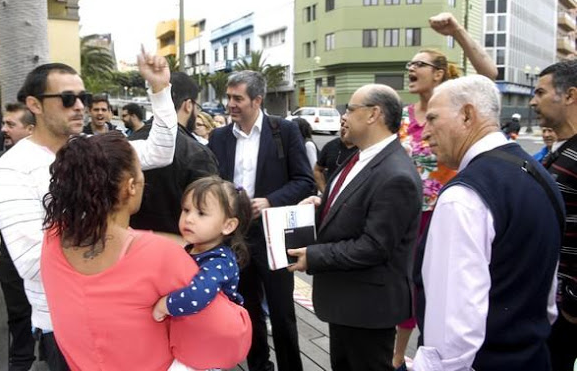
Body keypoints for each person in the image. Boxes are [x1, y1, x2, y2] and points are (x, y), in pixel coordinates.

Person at [0, 51, 179, 370]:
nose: (80, 105)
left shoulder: (92, 148)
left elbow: (160, 151)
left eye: (83, 97)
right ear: (34, 105)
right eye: (67, 98)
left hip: (126, 311)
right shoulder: (12, 169)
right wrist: (141, 247)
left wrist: (160, 90)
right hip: (66, 324)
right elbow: (32, 263)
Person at [40, 132, 251, 371]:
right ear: (131, 186)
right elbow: (229, 336)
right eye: (142, 172)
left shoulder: (54, 237)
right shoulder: (160, 256)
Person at [412, 75, 562, 370]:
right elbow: (547, 300)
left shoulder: (464, 196)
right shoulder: (539, 174)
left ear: (467, 115)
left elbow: (453, 336)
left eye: (432, 118)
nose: (425, 132)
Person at [288, 84, 422, 371]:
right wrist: (322, 205)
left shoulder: (395, 174)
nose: (343, 115)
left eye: (349, 108)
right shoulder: (361, 156)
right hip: (347, 303)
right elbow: (354, 206)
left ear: (374, 114)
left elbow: (374, 246)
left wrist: (314, 256)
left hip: (368, 309)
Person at [394, 12, 498, 370]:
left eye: (419, 64)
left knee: (436, 287)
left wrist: (457, 32)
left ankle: (438, 353)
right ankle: (398, 355)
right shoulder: (403, 114)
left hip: (446, 211)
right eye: (410, 63)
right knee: (406, 284)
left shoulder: (453, 104)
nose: (411, 68)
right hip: (405, 214)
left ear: (439, 74)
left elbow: (490, 79)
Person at [208, 70, 315, 371]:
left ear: (257, 100)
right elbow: (211, 181)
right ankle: (258, 366)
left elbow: (304, 180)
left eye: (237, 98)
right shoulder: (218, 137)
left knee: (282, 312)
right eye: (228, 97)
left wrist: (270, 201)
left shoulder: (284, 131)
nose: (230, 104)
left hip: (273, 233)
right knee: (247, 308)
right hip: (236, 236)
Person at [152, 176, 251, 369]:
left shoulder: (220, 260)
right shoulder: (193, 248)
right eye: (186, 210)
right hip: (191, 336)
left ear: (228, 225)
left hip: (206, 345)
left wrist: (164, 305)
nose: (189, 218)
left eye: (201, 213)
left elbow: (198, 295)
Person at [0, 103, 36, 371]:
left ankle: (52, 353)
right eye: (4, 123)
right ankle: (21, 360)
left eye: (10, 124)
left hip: (47, 252)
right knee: (18, 312)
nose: (3, 129)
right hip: (10, 255)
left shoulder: (51, 160)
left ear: (30, 128)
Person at [129, 72, 219, 236]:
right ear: (188, 105)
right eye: (197, 107)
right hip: (182, 250)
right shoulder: (198, 154)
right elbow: (210, 213)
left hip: (131, 247)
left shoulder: (130, 142)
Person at [530, 60, 577, 370]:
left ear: (570, 95)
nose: (533, 101)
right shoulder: (558, 152)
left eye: (540, 92)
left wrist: (574, 296)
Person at [313, 126, 357, 193]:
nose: (343, 129)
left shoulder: (364, 148)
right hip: (332, 195)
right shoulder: (330, 146)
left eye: (347, 126)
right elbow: (317, 170)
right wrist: (325, 192)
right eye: (342, 125)